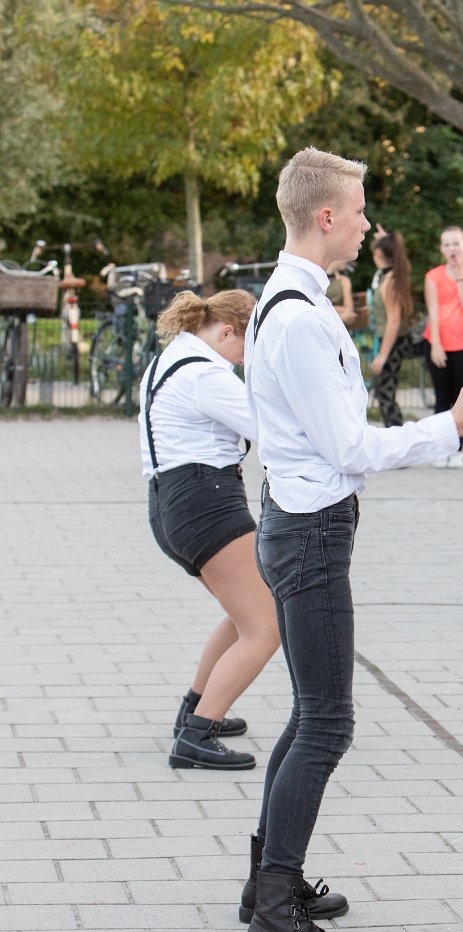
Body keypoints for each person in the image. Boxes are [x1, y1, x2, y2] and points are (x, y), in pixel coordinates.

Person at [242, 147, 463, 932]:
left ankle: (265, 884)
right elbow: (349, 446)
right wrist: (448, 427)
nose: (366, 224)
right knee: (327, 721)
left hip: (295, 520)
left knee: (309, 713)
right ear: (325, 217)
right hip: (309, 529)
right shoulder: (301, 317)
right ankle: (274, 913)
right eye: (357, 211)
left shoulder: (281, 302)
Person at [138, 289, 280, 770]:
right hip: (204, 502)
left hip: (173, 503)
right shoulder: (206, 375)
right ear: (225, 333)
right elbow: (273, 428)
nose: (245, 363)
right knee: (269, 624)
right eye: (246, 351)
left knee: (245, 614)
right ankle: (197, 736)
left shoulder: (171, 360)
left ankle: (194, 711)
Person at [423, 226, 463, 467]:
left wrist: (461, 276)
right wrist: (436, 345)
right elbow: (434, 311)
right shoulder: (433, 276)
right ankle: (440, 450)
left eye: (456, 243)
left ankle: (458, 449)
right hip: (439, 342)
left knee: (460, 399)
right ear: (442, 249)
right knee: (442, 399)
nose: (452, 249)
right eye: (447, 244)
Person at [368, 230, 414, 427]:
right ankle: (395, 439)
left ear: (378, 254)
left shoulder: (391, 281)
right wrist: (386, 240)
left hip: (394, 341)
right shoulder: (390, 275)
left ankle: (397, 439)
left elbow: (393, 321)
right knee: (384, 392)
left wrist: (382, 356)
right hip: (390, 339)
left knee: (385, 393)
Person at [325, 260, 356, 327]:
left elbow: (349, 312)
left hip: (340, 328)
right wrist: (341, 311)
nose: (347, 260)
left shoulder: (344, 280)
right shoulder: (318, 279)